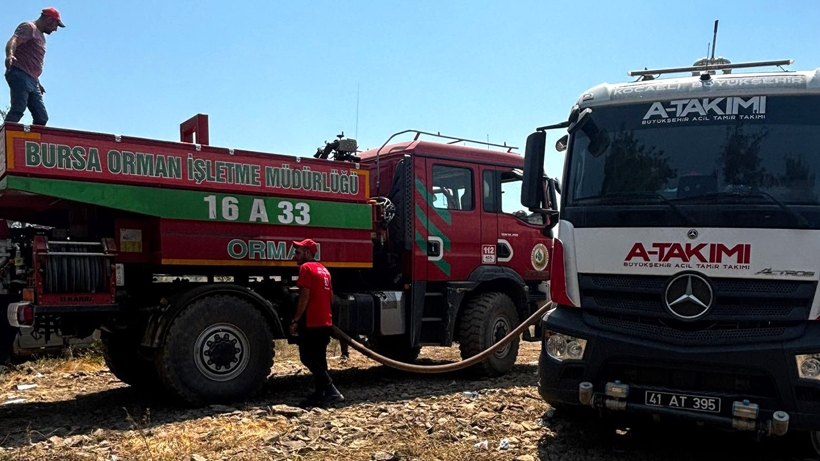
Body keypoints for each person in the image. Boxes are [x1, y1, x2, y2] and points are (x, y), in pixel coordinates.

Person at [290, 239, 344, 408]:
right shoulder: (324, 270)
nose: (295, 256)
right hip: (324, 320)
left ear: (307, 253)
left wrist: (296, 319)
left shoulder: (305, 268)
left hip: (312, 321)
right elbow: (331, 297)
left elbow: (304, 296)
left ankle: (331, 390)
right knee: (320, 359)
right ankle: (320, 394)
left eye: (298, 252)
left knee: (306, 357)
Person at [4, 8, 64, 126]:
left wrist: (37, 81)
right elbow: (14, 40)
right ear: (49, 19)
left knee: (41, 117)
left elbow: (32, 60)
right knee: (18, 108)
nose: (55, 29)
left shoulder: (41, 36)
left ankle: (33, 140)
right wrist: (10, 55)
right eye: (56, 25)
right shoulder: (29, 27)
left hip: (32, 79)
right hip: (20, 72)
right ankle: (3, 139)